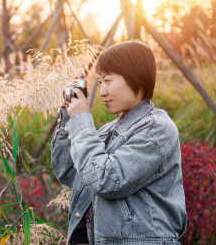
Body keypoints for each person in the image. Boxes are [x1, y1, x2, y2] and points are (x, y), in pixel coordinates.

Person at [51, 40, 187, 245]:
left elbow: (105, 180)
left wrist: (82, 123)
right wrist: (70, 119)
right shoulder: (108, 131)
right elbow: (69, 172)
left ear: (136, 78)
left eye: (108, 80)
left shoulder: (157, 129)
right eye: (99, 81)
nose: (102, 91)